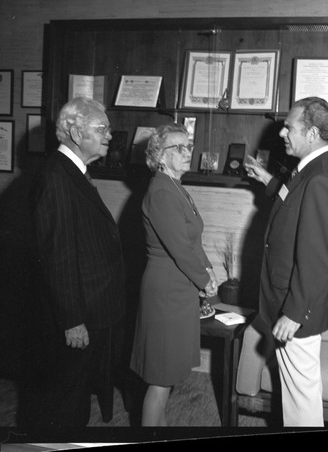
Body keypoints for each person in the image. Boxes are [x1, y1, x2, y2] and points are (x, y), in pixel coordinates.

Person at [244, 96, 328, 427]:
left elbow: (316, 257)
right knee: (296, 395)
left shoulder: (319, 180)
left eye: (289, 127)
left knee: (301, 400)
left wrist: (293, 312)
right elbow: (291, 199)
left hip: (296, 309)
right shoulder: (308, 171)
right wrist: (267, 180)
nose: (283, 133)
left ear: (313, 133)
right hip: (289, 302)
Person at [30, 96, 126, 427]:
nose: (110, 136)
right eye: (102, 128)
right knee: (64, 404)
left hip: (93, 308)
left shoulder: (73, 172)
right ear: (73, 130)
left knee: (77, 397)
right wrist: (72, 320)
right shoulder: (57, 175)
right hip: (79, 315)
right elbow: (58, 255)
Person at [129, 122, 218, 426]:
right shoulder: (162, 191)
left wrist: (208, 271)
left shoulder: (175, 186)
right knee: (160, 381)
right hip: (166, 293)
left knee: (167, 378)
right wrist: (205, 281)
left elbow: (193, 240)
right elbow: (180, 247)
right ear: (160, 156)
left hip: (179, 289)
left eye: (188, 146)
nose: (187, 152)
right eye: (178, 147)